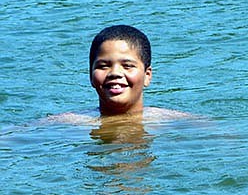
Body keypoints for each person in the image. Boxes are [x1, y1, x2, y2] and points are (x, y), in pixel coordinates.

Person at [47, 25, 190, 124]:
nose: (115, 73)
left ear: (147, 75)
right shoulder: (69, 124)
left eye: (127, 66)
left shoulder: (173, 122)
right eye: (103, 66)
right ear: (90, 75)